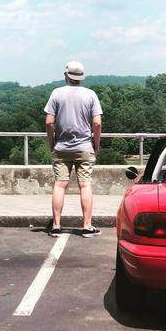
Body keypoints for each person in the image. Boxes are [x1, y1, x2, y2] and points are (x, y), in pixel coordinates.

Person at [44, 61, 102, 238]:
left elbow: (49, 122)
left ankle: (56, 225)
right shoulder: (90, 95)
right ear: (81, 77)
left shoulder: (57, 93)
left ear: (66, 76)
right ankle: (86, 226)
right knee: (85, 185)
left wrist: (51, 142)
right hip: (84, 147)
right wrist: (96, 144)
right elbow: (97, 123)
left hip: (62, 147)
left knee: (60, 185)